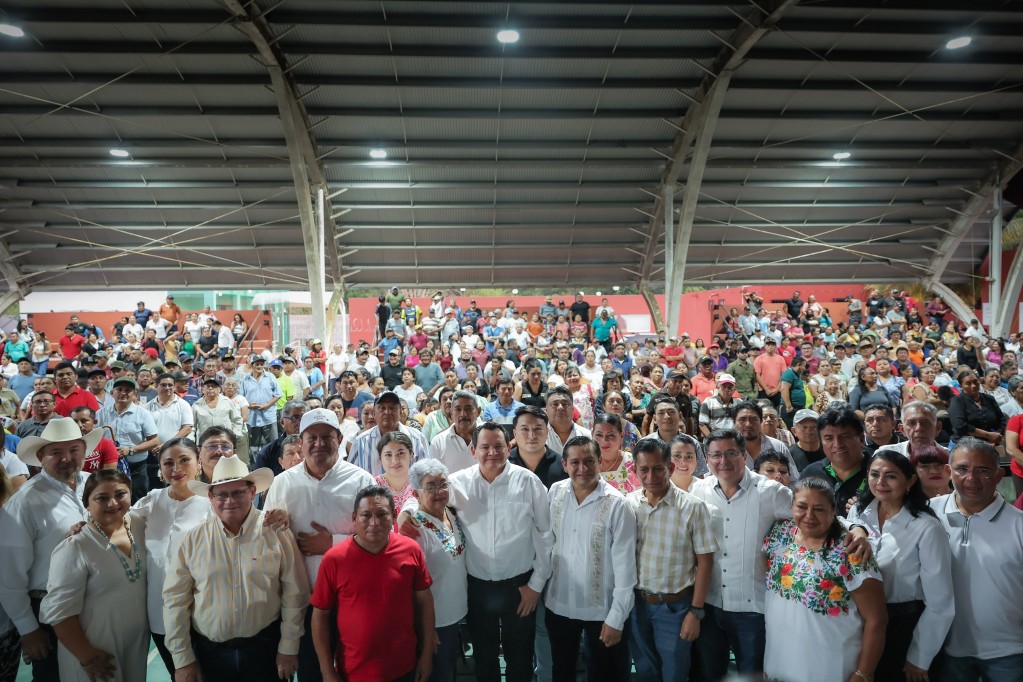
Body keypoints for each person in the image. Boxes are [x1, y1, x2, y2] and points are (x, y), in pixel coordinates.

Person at [399, 423, 554, 682]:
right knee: (484, 657)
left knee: (520, 657)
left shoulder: (528, 481)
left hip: (520, 586)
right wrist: (407, 510)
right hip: (477, 588)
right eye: (484, 447)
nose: (492, 452)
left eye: (498, 446)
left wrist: (536, 586)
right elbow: (425, 491)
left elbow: (546, 535)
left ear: (508, 448)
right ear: (473, 450)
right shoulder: (458, 482)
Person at [163, 455, 309, 682]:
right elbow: (175, 601)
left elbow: (295, 593)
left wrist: (289, 647)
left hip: (266, 650)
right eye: (221, 494)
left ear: (252, 492)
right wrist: (183, 659)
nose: (229, 500)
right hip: (209, 654)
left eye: (238, 492)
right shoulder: (192, 540)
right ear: (211, 497)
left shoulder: (276, 532)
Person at [262, 408, 374, 681]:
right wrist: (277, 525)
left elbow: (380, 538)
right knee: (312, 671)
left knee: (356, 670)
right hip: (303, 601)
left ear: (339, 439)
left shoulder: (361, 480)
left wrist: (333, 544)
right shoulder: (283, 483)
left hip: (352, 598)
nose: (319, 444)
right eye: (312, 437)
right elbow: (266, 542)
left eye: (327, 437)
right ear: (301, 442)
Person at [0, 420, 102, 681]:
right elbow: (9, 574)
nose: (66, 458)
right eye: (56, 452)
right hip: (49, 611)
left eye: (74, 450)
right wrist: (28, 628)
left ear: (84, 451)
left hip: (96, 602)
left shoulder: (92, 484)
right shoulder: (24, 502)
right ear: (40, 457)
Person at [761, 478, 887, 682]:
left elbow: (877, 619)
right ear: (792, 506)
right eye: (801, 507)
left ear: (833, 510)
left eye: (819, 509)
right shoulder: (779, 533)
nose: (809, 515)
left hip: (831, 668)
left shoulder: (851, 550)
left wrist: (864, 673)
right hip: (779, 661)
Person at [847, 450, 955, 681]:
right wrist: (856, 528)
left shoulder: (926, 527)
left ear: (910, 480)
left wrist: (920, 656)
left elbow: (940, 603)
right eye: (874, 474)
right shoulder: (859, 513)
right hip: (859, 623)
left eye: (891, 476)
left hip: (904, 627)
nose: (881, 482)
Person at [311, 485, 436, 682]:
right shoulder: (334, 559)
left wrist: (427, 654)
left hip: (405, 667)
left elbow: (425, 603)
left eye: (382, 514)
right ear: (354, 518)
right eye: (366, 515)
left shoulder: (411, 550)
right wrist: (327, 671)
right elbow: (320, 616)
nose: (374, 522)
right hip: (353, 672)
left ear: (394, 516)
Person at [39, 470, 148, 682]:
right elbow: (60, 612)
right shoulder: (76, 545)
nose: (113, 503)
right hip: (95, 653)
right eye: (102, 498)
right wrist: (87, 657)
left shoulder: (139, 524)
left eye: (120, 494)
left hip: (135, 646)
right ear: (87, 503)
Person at [930, 438, 1023, 681]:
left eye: (982, 470)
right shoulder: (928, 514)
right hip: (946, 648)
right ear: (948, 472)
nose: (971, 478)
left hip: (1010, 651)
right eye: (962, 469)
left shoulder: (1019, 524)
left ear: (999, 475)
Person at [627, 437, 718, 682]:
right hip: (637, 606)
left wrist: (695, 612)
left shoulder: (693, 507)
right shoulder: (629, 504)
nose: (651, 476)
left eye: (658, 468)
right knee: (645, 671)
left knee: (675, 673)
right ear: (635, 470)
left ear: (670, 467)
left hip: (675, 607)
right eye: (644, 469)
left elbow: (705, 562)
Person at [545, 437, 636, 681]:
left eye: (589, 461)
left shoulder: (618, 505)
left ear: (600, 462)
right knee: (561, 671)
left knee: (603, 674)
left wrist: (616, 618)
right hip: (559, 604)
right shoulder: (555, 492)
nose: (582, 468)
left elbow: (626, 570)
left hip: (602, 612)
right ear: (564, 464)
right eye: (575, 462)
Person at [128, 438, 211, 673]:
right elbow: (115, 522)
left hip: (201, 613)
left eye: (184, 460)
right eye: (168, 463)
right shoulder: (151, 501)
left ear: (199, 462)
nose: (176, 468)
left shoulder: (212, 503)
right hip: (159, 611)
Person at [407, 459, 468, 682]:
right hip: (434, 622)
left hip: (456, 615)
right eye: (430, 486)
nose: (439, 491)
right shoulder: (414, 529)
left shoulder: (451, 513)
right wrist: (427, 631)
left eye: (443, 484)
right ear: (416, 493)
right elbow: (412, 587)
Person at [97, 377, 160, 501]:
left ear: (134, 394)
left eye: (128, 390)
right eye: (119, 389)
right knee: (112, 500)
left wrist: (131, 450)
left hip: (136, 468)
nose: (123, 393)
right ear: (112, 393)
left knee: (138, 501)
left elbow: (154, 441)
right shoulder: (101, 413)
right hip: (109, 467)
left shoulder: (143, 414)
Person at [801, 408, 872, 512]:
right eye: (829, 438)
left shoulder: (879, 472)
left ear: (861, 438)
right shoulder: (811, 474)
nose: (837, 444)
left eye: (845, 437)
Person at [349, 391, 429, 476]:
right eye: (382, 408)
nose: (387, 412)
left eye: (392, 408)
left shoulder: (417, 438)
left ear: (400, 412)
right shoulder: (361, 442)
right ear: (374, 413)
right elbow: (351, 476)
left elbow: (426, 474)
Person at [948, 369, 1006, 448]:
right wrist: (988, 435)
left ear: (980, 381)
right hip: (964, 445)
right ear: (961, 386)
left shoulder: (989, 399)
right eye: (968, 383)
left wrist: (996, 436)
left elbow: (1002, 420)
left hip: (991, 443)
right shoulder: (957, 401)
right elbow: (960, 426)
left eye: (975, 381)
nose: (973, 386)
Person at [592, 413, 641, 493]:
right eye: (599, 435)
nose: (604, 440)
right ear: (592, 434)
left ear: (622, 436)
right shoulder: (585, 464)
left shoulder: (634, 462)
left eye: (611, 435)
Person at [374, 431, 415, 520]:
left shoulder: (422, 484)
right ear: (380, 459)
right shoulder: (373, 486)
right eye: (388, 455)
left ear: (411, 455)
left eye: (400, 453)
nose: (395, 460)